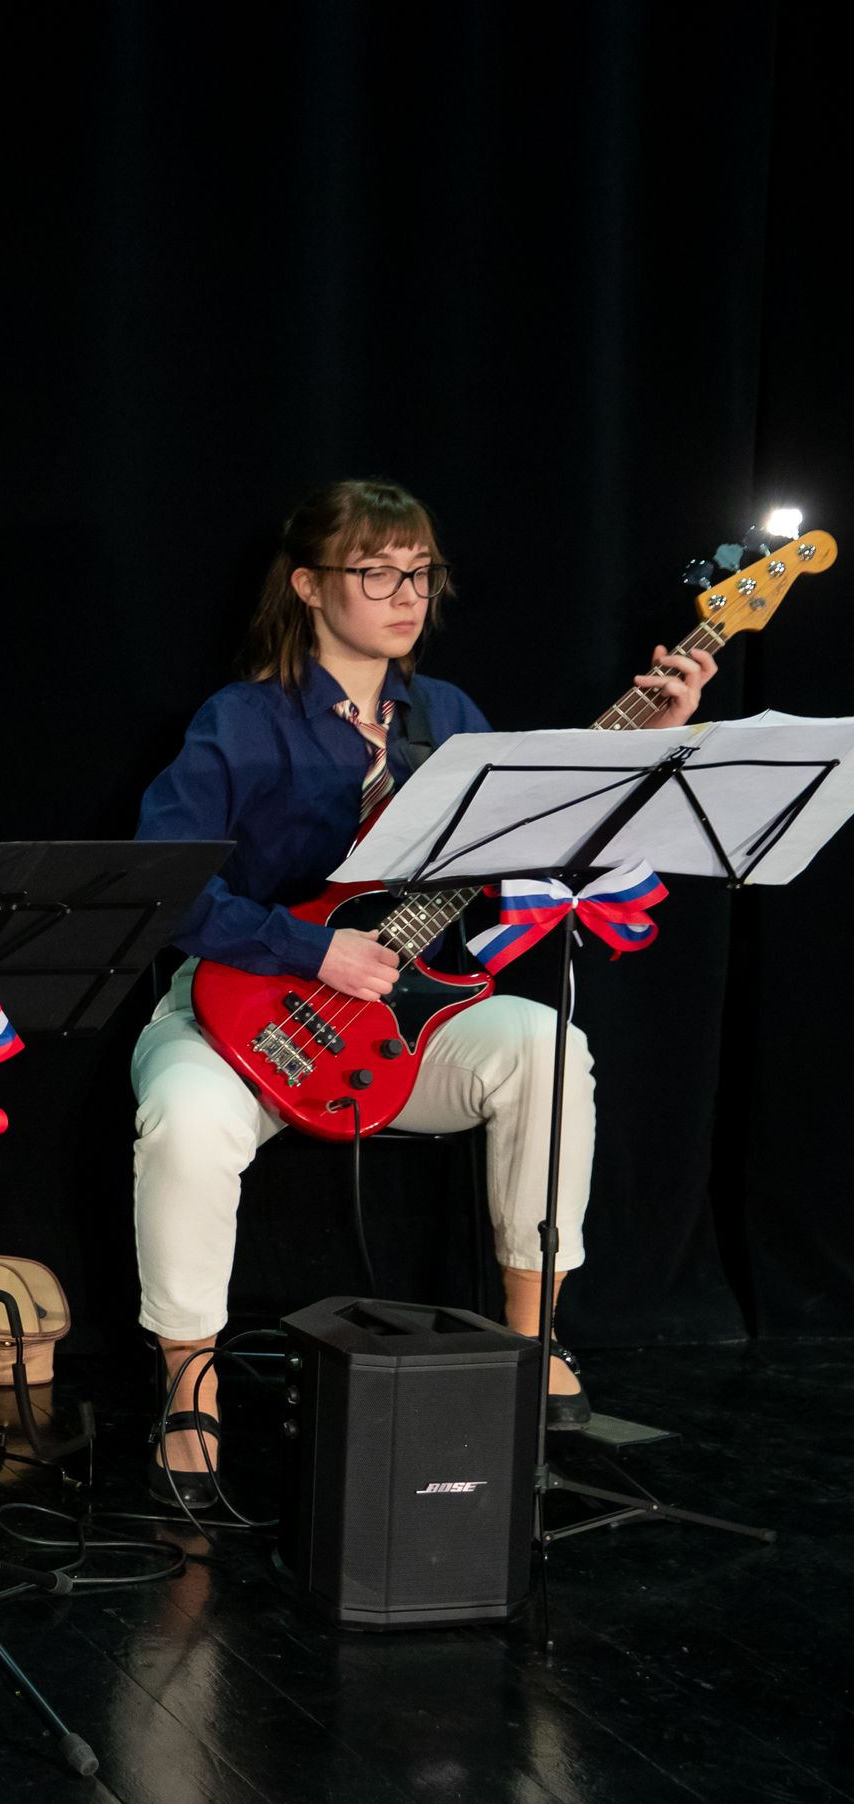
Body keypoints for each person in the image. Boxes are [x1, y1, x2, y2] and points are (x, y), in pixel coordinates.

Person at [129, 477, 715, 1506]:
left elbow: (538, 845)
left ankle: (533, 1344)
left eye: (420, 573)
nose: (407, 596)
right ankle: (189, 1382)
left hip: (401, 1020)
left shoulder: (450, 718)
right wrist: (310, 951)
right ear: (308, 585)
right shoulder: (241, 720)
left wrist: (638, 749)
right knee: (184, 1116)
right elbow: (160, 887)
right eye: (376, 572)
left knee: (548, 1045)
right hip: (240, 1009)